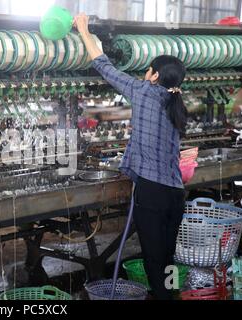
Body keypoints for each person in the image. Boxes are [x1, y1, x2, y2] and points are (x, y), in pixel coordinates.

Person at [74, 14, 187, 300]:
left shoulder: (144, 93)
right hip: (175, 194)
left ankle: (164, 298)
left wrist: (85, 31)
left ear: (154, 76)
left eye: (147, 70)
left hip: (151, 194)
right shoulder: (177, 104)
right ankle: (171, 296)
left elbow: (103, 65)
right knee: (167, 257)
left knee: (153, 260)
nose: (144, 75)